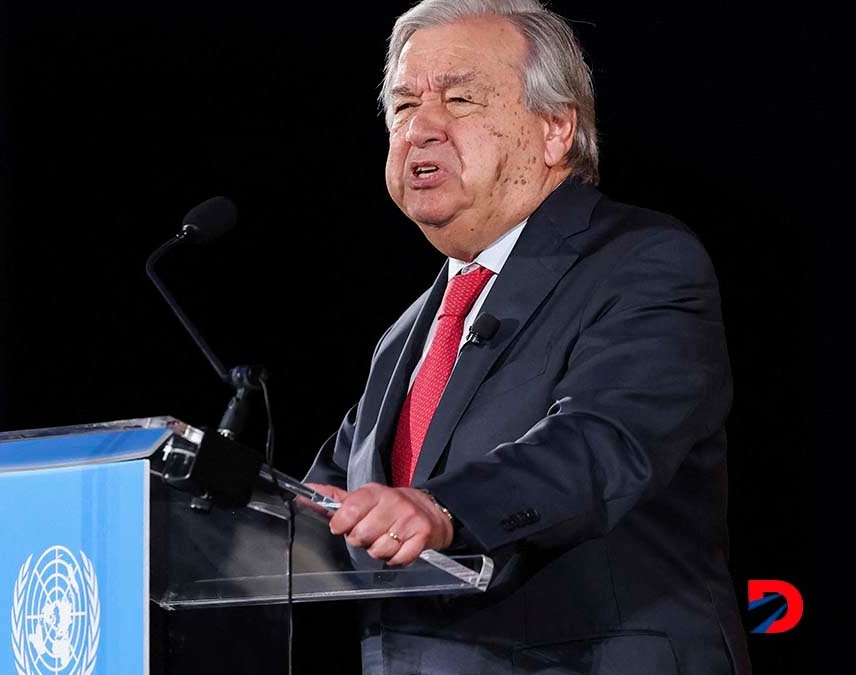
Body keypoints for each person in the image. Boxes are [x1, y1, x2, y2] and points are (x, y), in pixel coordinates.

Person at [302, 1, 752, 672]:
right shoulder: (404, 337)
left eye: (458, 99)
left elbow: (603, 442)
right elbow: (323, 510)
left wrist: (445, 507)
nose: (420, 128)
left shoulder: (642, 262)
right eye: (401, 108)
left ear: (555, 129)